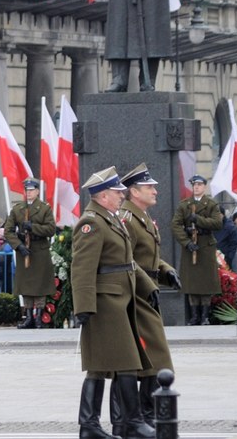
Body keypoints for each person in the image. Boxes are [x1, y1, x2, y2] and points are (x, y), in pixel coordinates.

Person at [71, 168, 156, 439]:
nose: (122, 196)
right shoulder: (92, 223)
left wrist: (148, 286)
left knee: (100, 365)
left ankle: (90, 426)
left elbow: (127, 262)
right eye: (118, 193)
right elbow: (82, 268)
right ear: (103, 195)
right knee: (126, 363)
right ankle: (132, 422)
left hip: (120, 299)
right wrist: (83, 306)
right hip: (105, 302)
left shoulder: (111, 219)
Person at [116, 165, 178, 436]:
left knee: (151, 357)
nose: (155, 190)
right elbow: (125, 257)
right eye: (149, 187)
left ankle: (145, 414)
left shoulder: (141, 216)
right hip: (136, 292)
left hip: (147, 290)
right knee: (153, 355)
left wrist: (165, 270)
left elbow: (147, 255)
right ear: (134, 191)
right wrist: (149, 282)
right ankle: (142, 416)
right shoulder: (127, 218)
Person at [171, 175, 223, 325]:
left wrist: (198, 220)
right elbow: (175, 225)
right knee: (191, 282)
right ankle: (194, 316)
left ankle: (205, 316)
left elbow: (217, 223)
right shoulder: (184, 205)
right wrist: (186, 242)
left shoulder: (211, 204)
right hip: (191, 246)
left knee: (206, 282)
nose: (196, 187)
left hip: (205, 245)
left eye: (200, 185)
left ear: (204, 187)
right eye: (194, 185)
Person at [4, 178, 55, 328]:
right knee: (26, 286)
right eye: (27, 190)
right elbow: (8, 231)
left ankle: (38, 316)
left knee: (40, 286)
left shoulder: (45, 208)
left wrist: (33, 227)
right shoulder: (18, 209)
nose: (29, 193)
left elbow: (51, 229)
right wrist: (18, 246)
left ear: (38, 191)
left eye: (32, 190)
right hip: (24, 251)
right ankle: (28, 317)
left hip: (39, 250)